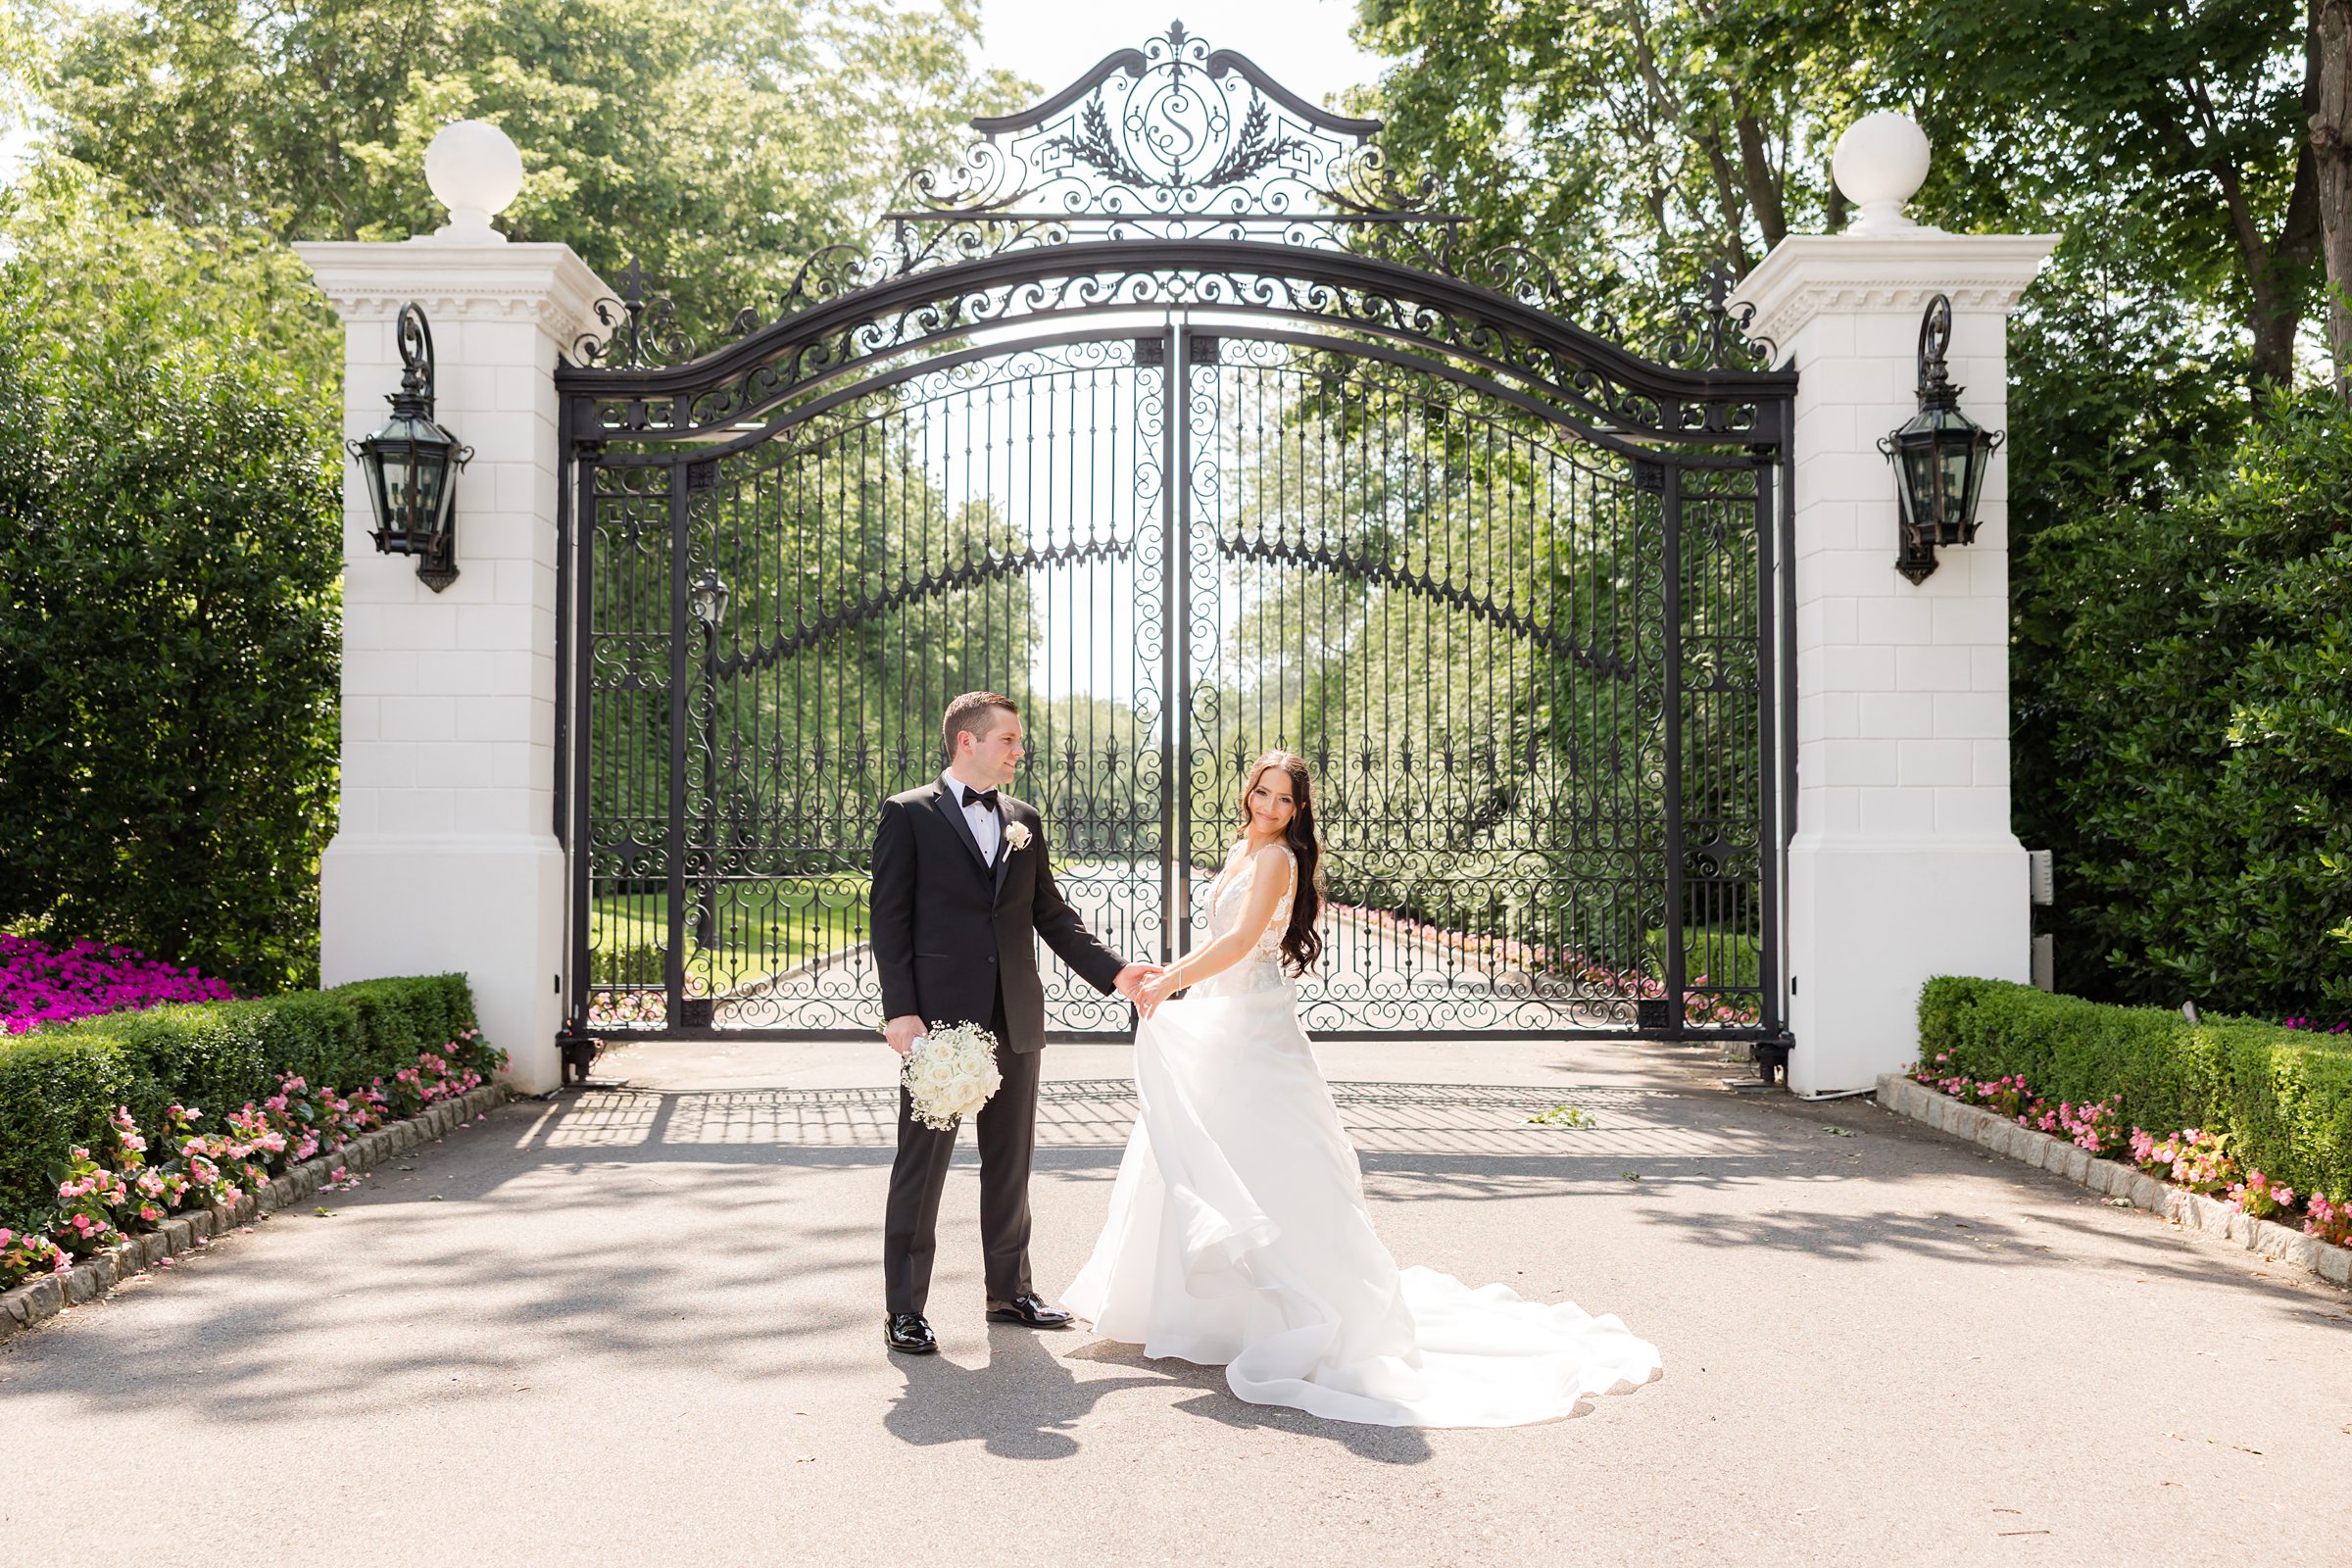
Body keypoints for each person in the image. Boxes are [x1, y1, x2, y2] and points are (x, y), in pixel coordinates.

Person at [1063, 750, 1662, 1426]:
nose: (1269, 807)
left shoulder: (1276, 861)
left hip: (1253, 1025)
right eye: (1263, 792)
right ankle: (1198, 1310)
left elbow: (1238, 943)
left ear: (1298, 811)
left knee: (1264, 1160)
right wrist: (1174, 978)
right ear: (1248, 792)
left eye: (1283, 800)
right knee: (1202, 1149)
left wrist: (1169, 980)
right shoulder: (1242, 849)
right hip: (1222, 1017)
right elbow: (1223, 942)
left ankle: (1289, 1305)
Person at [869, 691, 1156, 1356]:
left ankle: (1010, 1291)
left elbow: (1050, 915)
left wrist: (1117, 973)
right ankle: (905, 1309)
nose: (1018, 751)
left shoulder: (1023, 820)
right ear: (968, 742)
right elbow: (890, 921)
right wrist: (900, 1011)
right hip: (938, 1023)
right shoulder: (908, 816)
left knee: (1011, 1163)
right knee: (923, 1165)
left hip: (1014, 1015)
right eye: (1009, 740)